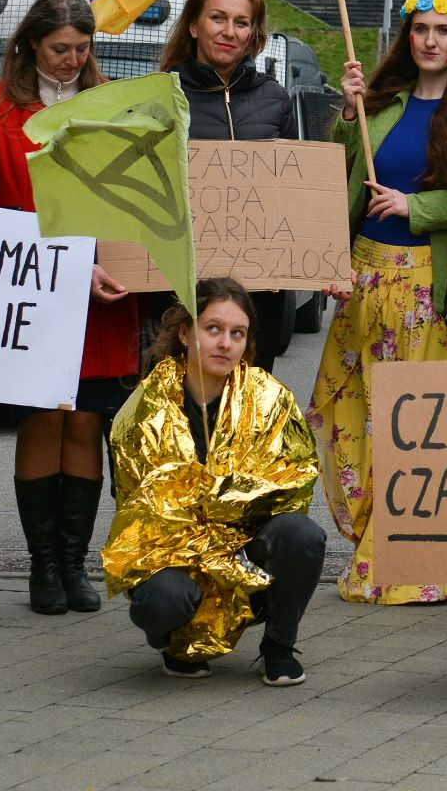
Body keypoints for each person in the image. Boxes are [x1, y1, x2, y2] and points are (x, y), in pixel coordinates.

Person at [0, 0, 136, 616]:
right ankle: (41, 568)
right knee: (42, 420)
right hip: (29, 289)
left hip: (102, 290)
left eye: (82, 50)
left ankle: (73, 564)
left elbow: (133, 196)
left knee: (87, 421)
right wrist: (58, 261)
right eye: (60, 48)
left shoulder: (106, 106)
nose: (70, 60)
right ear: (31, 43)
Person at [308, 0, 447, 605]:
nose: (431, 40)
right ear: (407, 39)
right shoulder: (383, 104)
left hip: (427, 289)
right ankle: (371, 542)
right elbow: (342, 173)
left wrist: (419, 208)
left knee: (416, 425)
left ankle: (406, 559)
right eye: (420, 30)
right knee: (341, 412)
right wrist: (348, 111)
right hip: (363, 278)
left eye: (443, 31)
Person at [103, 278, 325, 685]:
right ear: (186, 333)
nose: (225, 343)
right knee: (162, 601)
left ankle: (278, 645)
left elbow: (294, 481)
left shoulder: (269, 398)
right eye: (213, 329)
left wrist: (222, 499)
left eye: (236, 333)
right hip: (170, 546)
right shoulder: (145, 405)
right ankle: (174, 637)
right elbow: (141, 499)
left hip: (246, 544)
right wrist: (211, 501)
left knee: (302, 535)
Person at [156, 0, 297, 367]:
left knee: (246, 412)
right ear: (194, 25)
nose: (229, 32)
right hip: (179, 295)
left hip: (257, 298)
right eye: (218, 18)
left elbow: (293, 193)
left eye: (242, 22)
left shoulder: (275, 99)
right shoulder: (161, 97)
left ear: (253, 33)